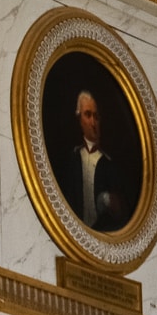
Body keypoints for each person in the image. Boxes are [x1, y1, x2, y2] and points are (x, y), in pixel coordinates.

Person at [51, 90, 129, 231]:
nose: (93, 122)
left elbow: (121, 211)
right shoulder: (72, 158)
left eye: (96, 117)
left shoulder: (108, 164)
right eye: (87, 115)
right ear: (79, 119)